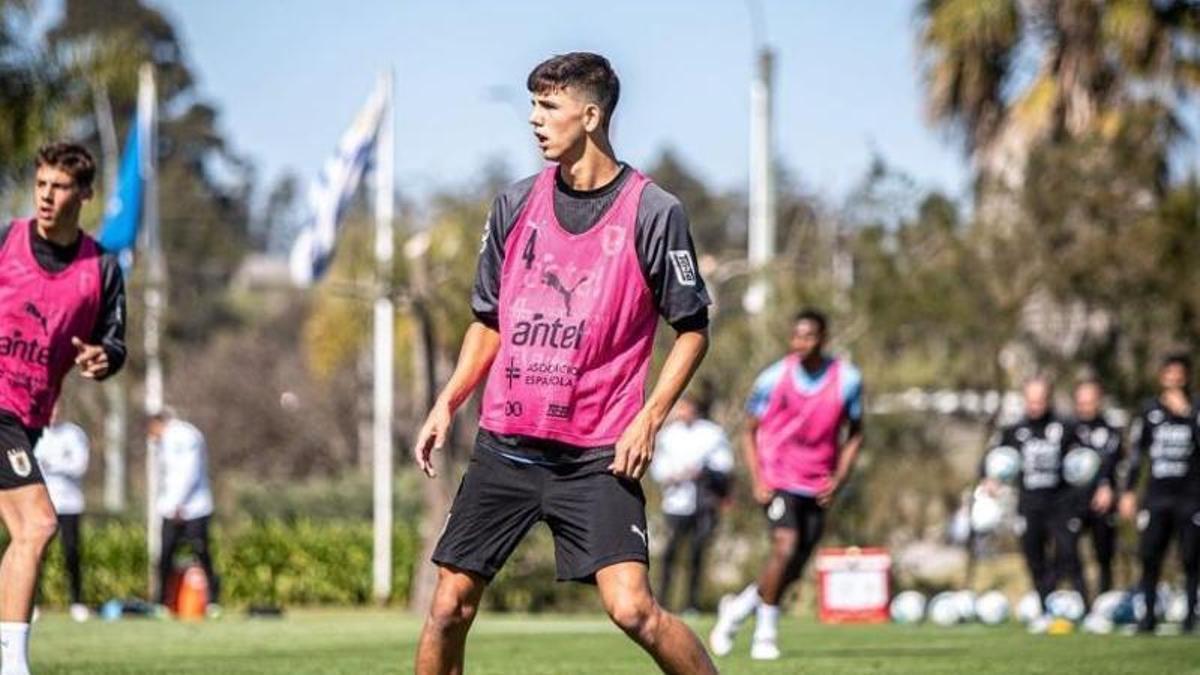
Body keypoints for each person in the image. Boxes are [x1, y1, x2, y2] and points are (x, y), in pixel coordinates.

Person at [411, 52, 717, 674]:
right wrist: (448, 401)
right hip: (508, 446)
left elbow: (691, 330)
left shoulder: (654, 211)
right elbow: (488, 321)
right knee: (449, 607)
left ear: (592, 114)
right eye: (532, 104)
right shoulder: (513, 204)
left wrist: (649, 419)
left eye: (548, 106)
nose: (533, 119)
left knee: (633, 610)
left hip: (597, 455)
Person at [0, 142, 126, 675]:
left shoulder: (100, 269)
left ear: (86, 194)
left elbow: (114, 344)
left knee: (27, 534)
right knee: (39, 525)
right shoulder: (6, 241)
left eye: (60, 187)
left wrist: (103, 358)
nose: (47, 197)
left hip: (28, 422)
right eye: (42, 185)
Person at [710, 309, 864, 661]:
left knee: (793, 566)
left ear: (823, 339)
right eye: (796, 336)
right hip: (779, 477)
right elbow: (749, 430)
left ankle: (736, 611)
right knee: (785, 546)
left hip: (818, 482)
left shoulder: (848, 380)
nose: (801, 343)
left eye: (809, 337)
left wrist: (839, 478)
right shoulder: (773, 378)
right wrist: (758, 478)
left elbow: (856, 432)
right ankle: (765, 634)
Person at [986, 377, 1087, 628]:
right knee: (1034, 557)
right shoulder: (1014, 430)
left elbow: (1084, 458)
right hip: (1030, 503)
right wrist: (992, 479)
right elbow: (994, 460)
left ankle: (1085, 608)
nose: (1035, 405)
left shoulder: (1066, 426)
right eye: (1030, 400)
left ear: (1048, 399)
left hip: (1061, 502)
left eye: (1040, 399)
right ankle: (1044, 610)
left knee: (1068, 554)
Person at [1120, 354, 1199, 634]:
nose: (1174, 378)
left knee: (1191, 557)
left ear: (1187, 376)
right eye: (1169, 373)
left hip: (1190, 496)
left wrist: (1187, 414)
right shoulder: (1149, 410)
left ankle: (1191, 617)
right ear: (1162, 376)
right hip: (1157, 496)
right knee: (1149, 555)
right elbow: (1137, 455)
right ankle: (1148, 616)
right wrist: (1128, 491)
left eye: (1179, 373)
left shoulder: (1196, 408)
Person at [649, 392, 733, 614]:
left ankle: (692, 604)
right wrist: (674, 476)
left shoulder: (712, 433)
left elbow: (725, 465)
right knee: (670, 553)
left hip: (703, 502)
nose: (682, 412)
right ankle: (662, 601)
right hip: (675, 502)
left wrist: (703, 473)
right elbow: (657, 468)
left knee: (697, 553)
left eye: (686, 408)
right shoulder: (667, 436)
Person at [148, 411, 220, 617]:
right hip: (170, 507)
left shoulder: (185, 435)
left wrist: (178, 503)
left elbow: (189, 471)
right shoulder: (164, 442)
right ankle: (162, 601)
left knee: (202, 552)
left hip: (194, 507)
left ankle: (212, 601)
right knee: (165, 555)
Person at [33, 409, 91, 622]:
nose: (53, 414)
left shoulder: (74, 434)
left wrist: (53, 464)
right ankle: (34, 602)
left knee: (71, 552)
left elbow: (79, 466)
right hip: (42, 503)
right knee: (38, 555)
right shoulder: (37, 432)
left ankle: (77, 602)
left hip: (70, 503)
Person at [1065, 379, 1122, 596]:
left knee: (1104, 555)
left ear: (1099, 401)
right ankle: (1080, 599)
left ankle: (1104, 601)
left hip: (1102, 502)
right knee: (1068, 552)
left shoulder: (1110, 430)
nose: (1085, 407)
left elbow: (1115, 463)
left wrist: (1107, 487)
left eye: (1090, 402)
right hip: (1072, 502)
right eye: (1081, 402)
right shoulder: (1066, 430)